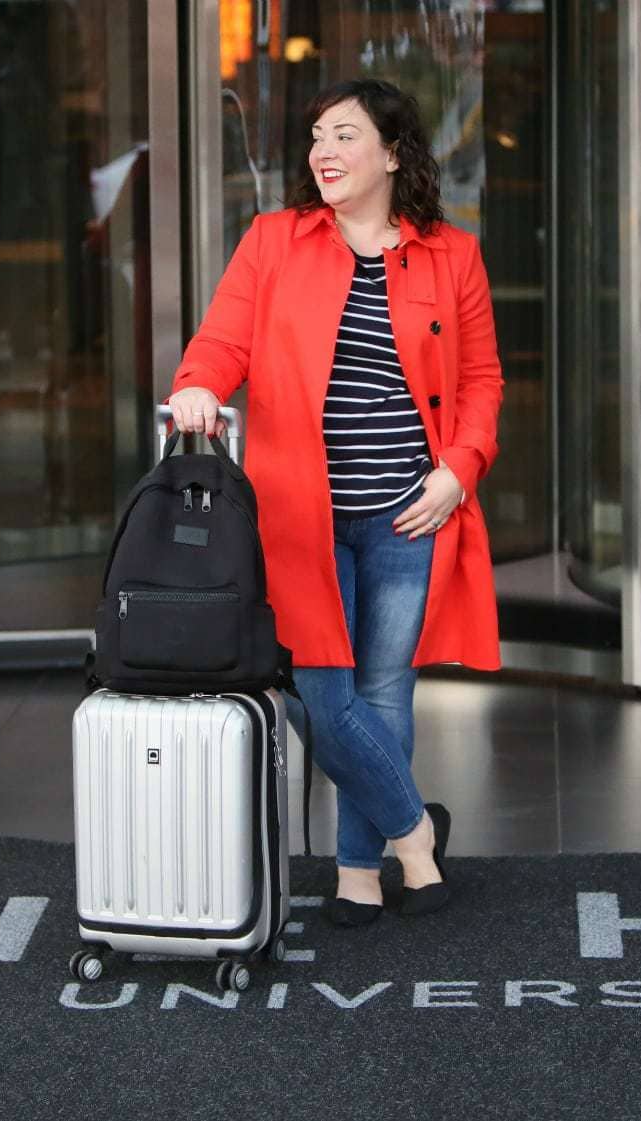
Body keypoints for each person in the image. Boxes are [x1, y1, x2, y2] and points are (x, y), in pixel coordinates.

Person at [166, 79, 504, 927]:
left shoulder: (450, 256)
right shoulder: (274, 242)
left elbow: (481, 381)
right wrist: (199, 385)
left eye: (345, 135)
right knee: (324, 700)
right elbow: (221, 340)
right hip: (301, 521)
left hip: (406, 513)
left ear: (392, 153)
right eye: (317, 136)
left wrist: (458, 471)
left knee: (386, 691)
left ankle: (358, 870)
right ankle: (416, 834)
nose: (324, 151)